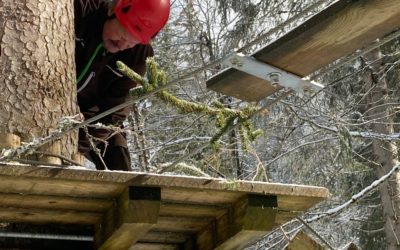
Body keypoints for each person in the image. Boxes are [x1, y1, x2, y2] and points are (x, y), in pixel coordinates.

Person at [74, 0, 170, 171]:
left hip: (92, 113)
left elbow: (116, 111)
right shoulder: (81, 9)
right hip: (44, 97)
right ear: (113, 11)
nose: (123, 46)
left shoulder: (138, 55)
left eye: (132, 42)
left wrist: (75, 145)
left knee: (117, 154)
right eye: (124, 35)